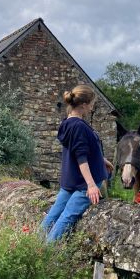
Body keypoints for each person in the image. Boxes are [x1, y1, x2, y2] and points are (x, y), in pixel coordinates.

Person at [41, 85, 111, 242]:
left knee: (53, 214)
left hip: (71, 179)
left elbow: (79, 150)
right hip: (82, 183)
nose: (92, 107)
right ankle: (44, 252)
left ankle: (34, 245)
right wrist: (91, 186)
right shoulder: (78, 126)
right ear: (84, 104)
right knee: (67, 217)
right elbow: (81, 157)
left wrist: (101, 160)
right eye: (92, 103)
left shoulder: (68, 122)